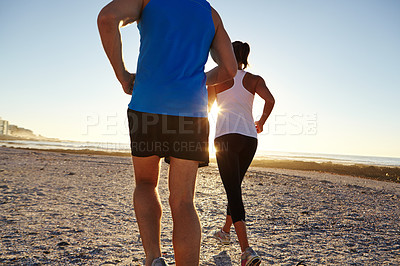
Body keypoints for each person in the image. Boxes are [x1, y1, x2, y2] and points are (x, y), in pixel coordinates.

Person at [97, 0, 237, 265]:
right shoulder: (209, 13)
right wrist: (196, 80)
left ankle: (154, 258)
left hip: (147, 106)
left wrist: (123, 75)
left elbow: (107, 19)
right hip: (191, 112)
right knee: (183, 201)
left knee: (146, 184)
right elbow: (230, 69)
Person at [208, 41, 275, 265]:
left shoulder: (217, 79)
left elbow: (206, 108)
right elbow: (270, 100)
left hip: (225, 137)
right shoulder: (255, 79)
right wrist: (261, 122)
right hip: (249, 139)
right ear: (244, 56)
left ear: (227, 53)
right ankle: (225, 231)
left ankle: (246, 250)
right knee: (233, 187)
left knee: (233, 190)